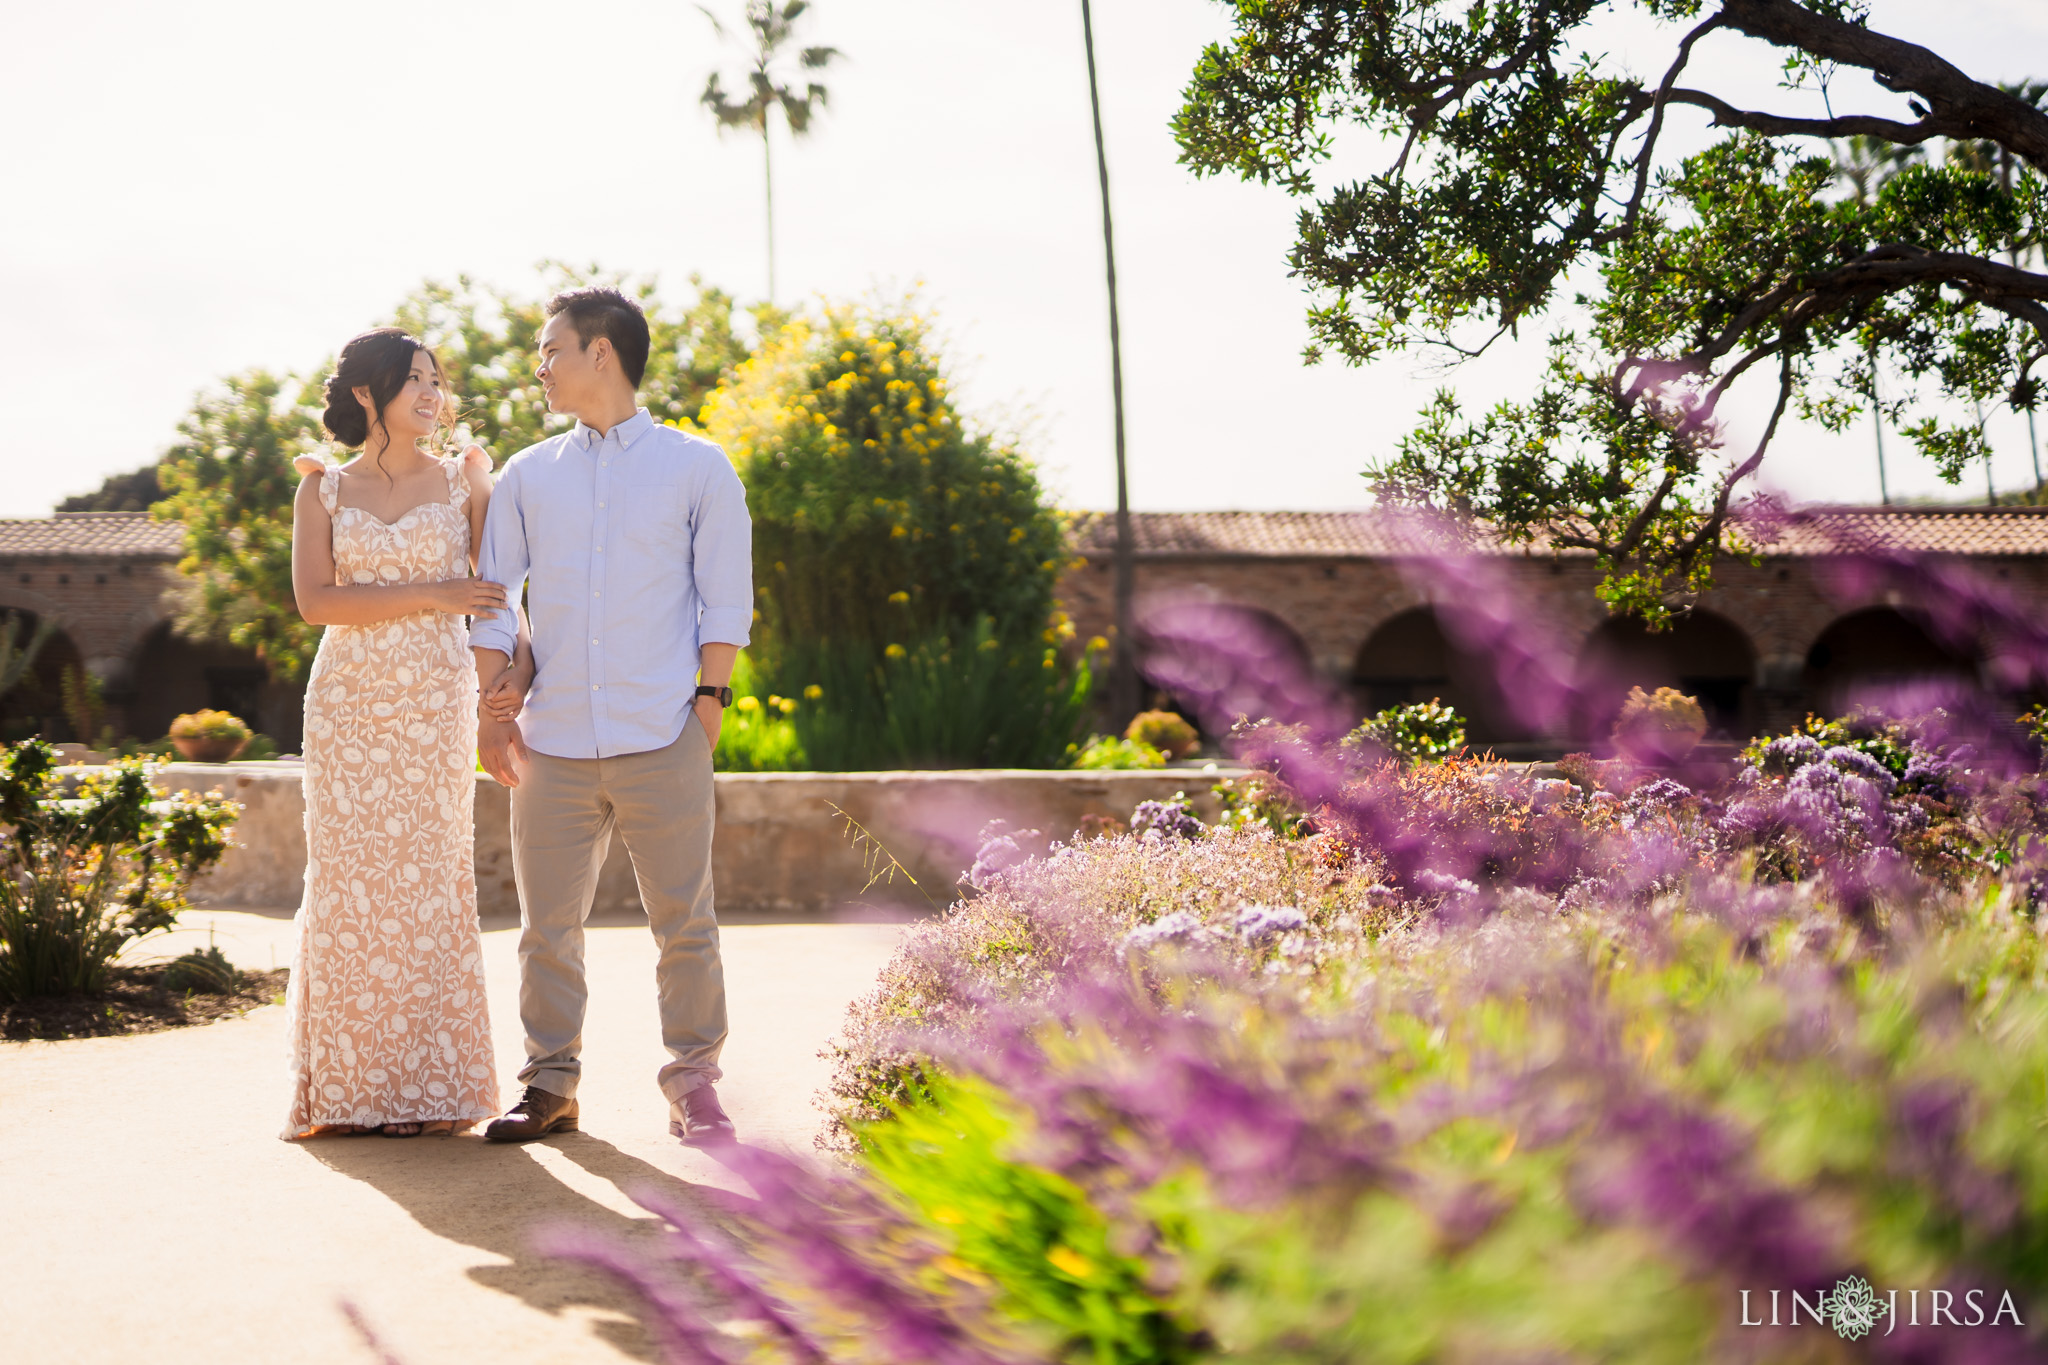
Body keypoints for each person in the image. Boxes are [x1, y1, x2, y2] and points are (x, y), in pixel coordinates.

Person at [470, 286, 752, 1147]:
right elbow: (491, 600)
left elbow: (725, 600)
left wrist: (706, 706)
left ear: (603, 353)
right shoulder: (526, 475)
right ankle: (549, 1084)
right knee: (545, 931)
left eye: (552, 348)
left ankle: (694, 1085)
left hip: (662, 732)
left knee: (685, 925)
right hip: (549, 744)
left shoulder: (697, 466)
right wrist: (492, 708)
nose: (540, 365)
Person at [282, 328, 531, 1139]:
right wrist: (435, 590)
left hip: (431, 704)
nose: (432, 393)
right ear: (366, 394)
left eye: (435, 380)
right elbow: (318, 603)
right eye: (412, 380)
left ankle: (430, 1089)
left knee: (428, 884)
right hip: (346, 709)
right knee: (350, 888)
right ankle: (354, 1093)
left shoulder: (467, 482)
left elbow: (497, 595)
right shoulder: (320, 492)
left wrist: (508, 686)